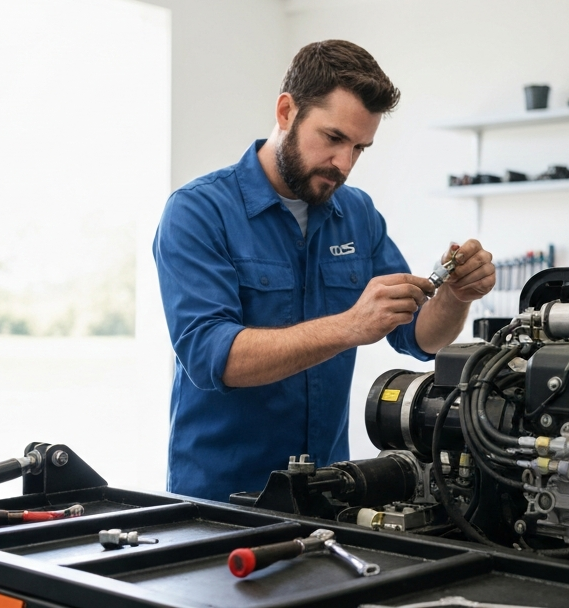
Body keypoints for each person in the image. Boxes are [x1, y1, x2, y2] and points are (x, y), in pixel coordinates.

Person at [152, 40, 495, 501]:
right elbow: (212, 356)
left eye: (359, 148)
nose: (344, 164)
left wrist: (455, 295)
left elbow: (418, 337)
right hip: (222, 499)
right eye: (333, 138)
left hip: (328, 489)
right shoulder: (197, 211)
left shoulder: (357, 213)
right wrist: (351, 326)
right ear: (286, 112)